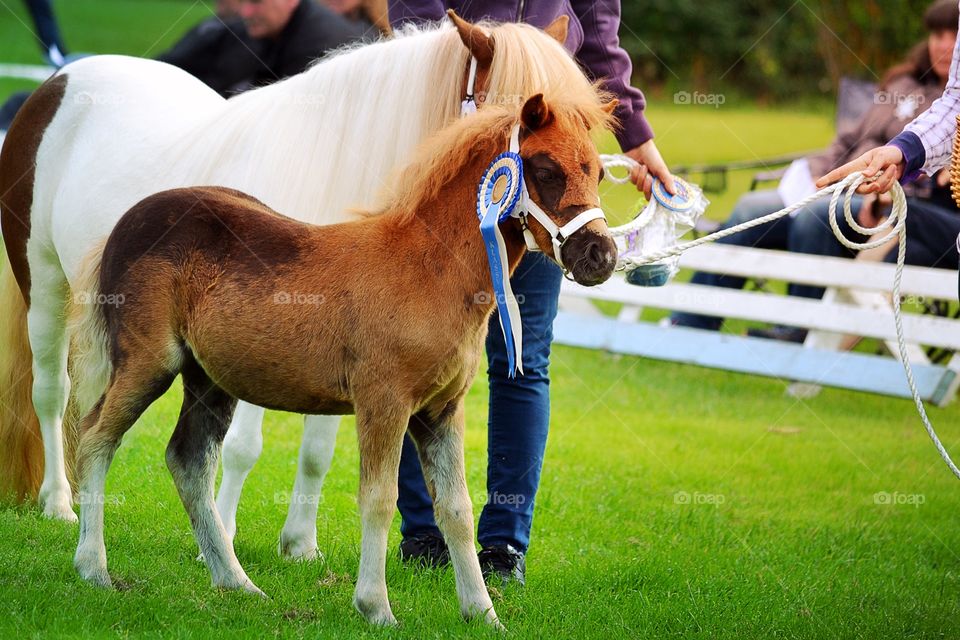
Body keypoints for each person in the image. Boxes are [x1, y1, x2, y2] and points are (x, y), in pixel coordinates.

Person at [387, 1, 674, 586]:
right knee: (411, 352)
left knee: (522, 357)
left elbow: (598, 35)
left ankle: (503, 545)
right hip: (445, 148)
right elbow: (416, 19)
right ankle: (423, 531)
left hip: (547, 153)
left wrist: (636, 136)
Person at [671, 0, 959, 339]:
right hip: (834, 185)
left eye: (952, 34)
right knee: (752, 209)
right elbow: (850, 139)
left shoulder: (949, 111)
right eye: (937, 35)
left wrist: (884, 190)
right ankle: (690, 322)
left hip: (881, 204)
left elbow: (932, 181)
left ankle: (799, 329)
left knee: (815, 215)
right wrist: (815, 173)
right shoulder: (900, 85)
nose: (944, 44)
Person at [159, 0, 368, 97]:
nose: (246, 12)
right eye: (243, 2)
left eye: (256, 2)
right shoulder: (263, 27)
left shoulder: (316, 47)